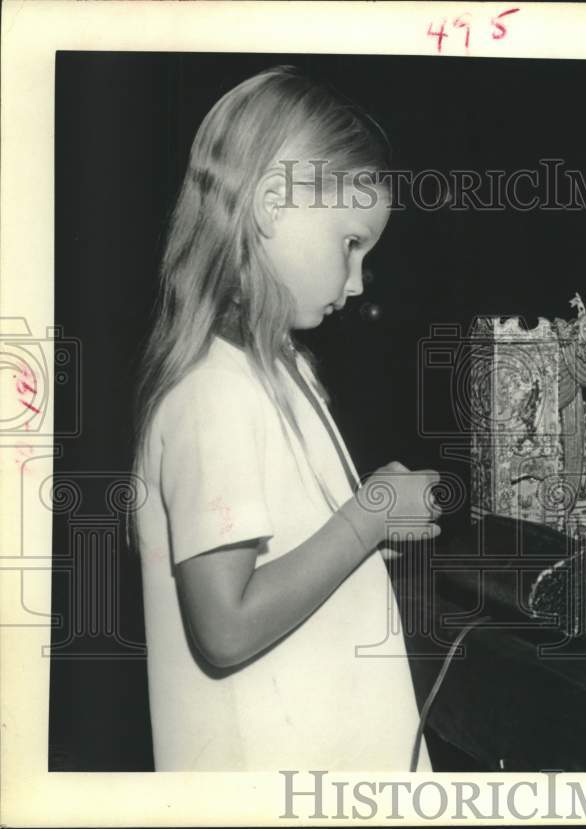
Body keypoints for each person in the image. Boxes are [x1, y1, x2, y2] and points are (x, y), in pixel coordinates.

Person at [130, 66, 439, 771]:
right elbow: (226, 624)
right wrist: (368, 516)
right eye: (350, 244)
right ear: (273, 203)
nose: (357, 282)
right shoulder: (213, 391)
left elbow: (286, 553)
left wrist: (366, 536)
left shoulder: (280, 371)